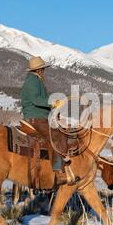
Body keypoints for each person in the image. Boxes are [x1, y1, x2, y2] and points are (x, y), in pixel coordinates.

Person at [20, 56, 78, 186]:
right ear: (39, 70)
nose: (44, 71)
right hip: (36, 118)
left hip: (39, 116)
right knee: (57, 136)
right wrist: (52, 102)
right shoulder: (33, 81)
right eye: (43, 69)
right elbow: (36, 100)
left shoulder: (35, 80)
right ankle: (59, 172)